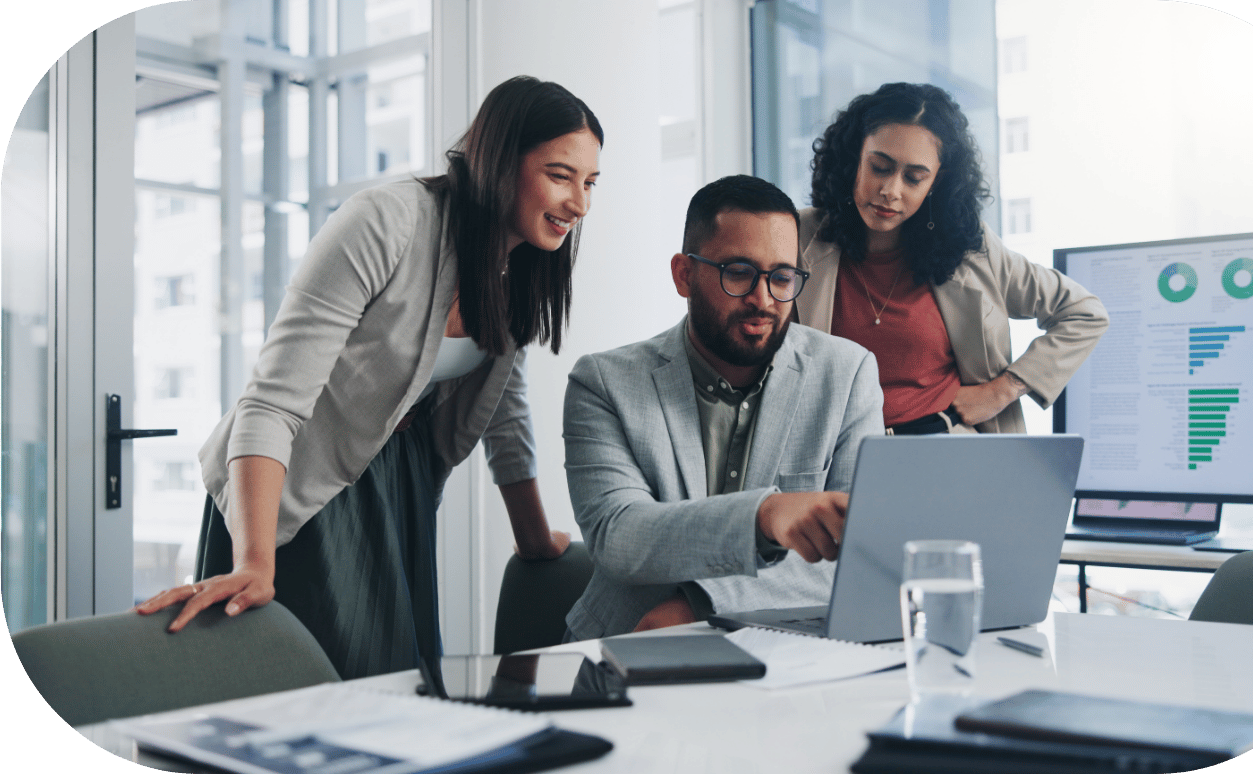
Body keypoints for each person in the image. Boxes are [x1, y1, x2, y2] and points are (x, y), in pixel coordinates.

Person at [136, 76, 603, 679]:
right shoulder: (388, 221)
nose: (580, 205)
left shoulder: (518, 266)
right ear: (497, 162)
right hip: (296, 486)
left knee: (397, 689)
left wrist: (535, 537)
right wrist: (254, 559)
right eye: (560, 176)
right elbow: (271, 402)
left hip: (395, 484)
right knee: (323, 695)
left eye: (590, 183)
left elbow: (501, 406)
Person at [561, 175, 884, 641]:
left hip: (788, 652)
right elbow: (620, 537)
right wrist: (766, 516)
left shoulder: (848, 374)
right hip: (624, 644)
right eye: (738, 272)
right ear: (684, 275)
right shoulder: (603, 383)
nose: (764, 300)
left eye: (782, 277)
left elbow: (859, 551)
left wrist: (700, 602)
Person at [796, 82, 1108, 434]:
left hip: (949, 449)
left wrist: (1004, 389)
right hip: (834, 457)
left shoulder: (971, 249)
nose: (891, 191)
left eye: (914, 178)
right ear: (853, 158)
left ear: (937, 183)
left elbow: (1084, 313)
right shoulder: (796, 237)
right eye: (880, 168)